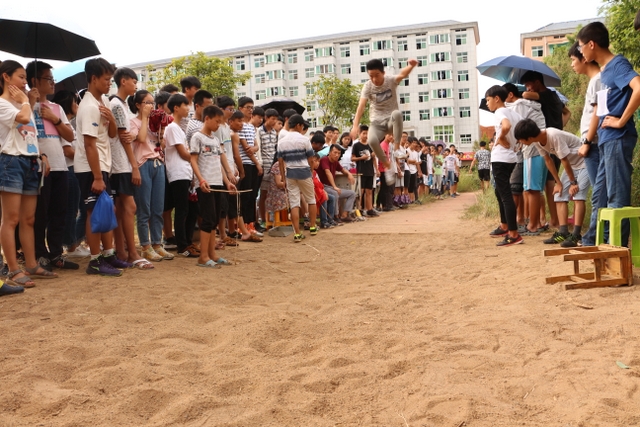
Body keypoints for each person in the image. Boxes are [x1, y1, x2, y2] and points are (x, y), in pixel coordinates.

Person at [577, 21, 640, 247]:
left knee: (616, 198)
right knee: (600, 196)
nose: (581, 51)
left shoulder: (618, 64)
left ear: (592, 44)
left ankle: (618, 251)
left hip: (617, 139)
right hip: (605, 141)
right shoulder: (604, 72)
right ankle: (598, 245)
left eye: (581, 46)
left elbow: (638, 87)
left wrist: (621, 120)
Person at [0, 60, 55, 292]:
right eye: (21, 77)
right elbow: (22, 119)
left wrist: (40, 155)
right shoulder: (3, 103)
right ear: (6, 77)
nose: (25, 82)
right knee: (10, 219)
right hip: (11, 161)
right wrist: (25, 102)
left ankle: (31, 264)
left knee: (29, 219)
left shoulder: (23, 104)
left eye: (25, 78)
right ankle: (14, 268)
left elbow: (29, 134)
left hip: (31, 161)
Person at [75, 58, 129, 276]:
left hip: (103, 165)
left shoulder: (104, 101)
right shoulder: (89, 107)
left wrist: (112, 120)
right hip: (90, 168)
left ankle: (108, 254)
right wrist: (97, 177)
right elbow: (89, 145)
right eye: (106, 79)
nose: (109, 83)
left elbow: (112, 134)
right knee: (93, 212)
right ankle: (95, 260)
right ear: (94, 78)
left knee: (106, 209)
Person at [26, 61, 78, 271]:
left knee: (59, 211)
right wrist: (30, 104)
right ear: (34, 81)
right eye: (48, 78)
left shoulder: (57, 108)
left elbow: (70, 136)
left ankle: (56, 253)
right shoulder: (25, 106)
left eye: (52, 78)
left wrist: (54, 119)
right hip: (38, 168)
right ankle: (40, 255)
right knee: (40, 214)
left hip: (60, 166)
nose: (53, 83)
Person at [515, 119, 591, 246]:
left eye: (521, 139)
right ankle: (563, 232)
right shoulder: (537, 141)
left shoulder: (553, 135)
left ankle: (576, 235)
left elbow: (564, 160)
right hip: (571, 165)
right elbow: (548, 160)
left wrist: (573, 183)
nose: (521, 142)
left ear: (529, 137)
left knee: (578, 195)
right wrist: (558, 183)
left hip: (585, 162)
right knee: (559, 195)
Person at [350, 58, 418, 186]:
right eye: (371, 76)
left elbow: (402, 75)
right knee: (372, 141)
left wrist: (411, 66)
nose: (374, 79)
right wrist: (355, 126)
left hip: (391, 120)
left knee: (397, 113)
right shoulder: (368, 86)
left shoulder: (390, 81)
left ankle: (397, 148)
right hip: (377, 122)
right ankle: (387, 165)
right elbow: (361, 106)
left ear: (383, 73)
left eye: (377, 75)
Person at [189, 105, 235, 268]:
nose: (218, 125)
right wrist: (201, 180)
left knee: (215, 219)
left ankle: (212, 254)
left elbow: (219, 162)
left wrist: (227, 181)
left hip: (217, 183)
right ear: (207, 118)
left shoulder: (215, 140)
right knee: (208, 219)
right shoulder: (197, 137)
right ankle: (203, 257)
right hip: (206, 184)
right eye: (217, 121)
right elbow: (193, 160)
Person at [129, 90, 171, 266]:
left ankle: (157, 243)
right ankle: (145, 246)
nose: (151, 106)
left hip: (158, 163)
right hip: (143, 164)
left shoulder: (156, 122)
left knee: (157, 208)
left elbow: (161, 144)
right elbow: (141, 138)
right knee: (144, 208)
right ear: (138, 105)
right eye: (147, 102)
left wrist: (161, 132)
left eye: (152, 103)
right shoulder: (133, 122)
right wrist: (146, 118)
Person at [567, 41, 601, 248]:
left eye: (573, 59)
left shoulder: (598, 79)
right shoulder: (594, 81)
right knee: (599, 192)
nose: (572, 64)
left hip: (594, 144)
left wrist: (587, 141)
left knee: (599, 193)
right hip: (591, 143)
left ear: (585, 57)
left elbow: (597, 113)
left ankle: (593, 238)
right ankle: (594, 237)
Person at [503, 82, 547, 236]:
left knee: (532, 189)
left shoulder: (519, 106)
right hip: (535, 149)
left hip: (532, 149)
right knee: (533, 189)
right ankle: (535, 223)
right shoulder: (525, 105)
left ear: (510, 95)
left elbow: (517, 129)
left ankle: (533, 226)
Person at [109, 67, 142, 268]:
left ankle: (122, 251)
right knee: (129, 207)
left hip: (120, 163)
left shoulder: (120, 104)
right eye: (134, 81)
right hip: (120, 164)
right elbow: (123, 137)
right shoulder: (116, 105)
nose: (135, 86)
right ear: (123, 81)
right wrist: (134, 166)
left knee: (122, 208)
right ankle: (132, 252)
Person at [485, 85, 523, 247]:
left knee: (506, 195)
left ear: (497, 99)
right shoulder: (514, 113)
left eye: (488, 100)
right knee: (499, 191)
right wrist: (517, 144)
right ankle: (504, 225)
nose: (487, 103)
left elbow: (506, 126)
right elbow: (522, 129)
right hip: (510, 158)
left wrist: (500, 138)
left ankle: (513, 234)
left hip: (501, 158)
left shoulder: (499, 112)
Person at [53, 90, 89, 258]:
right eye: (75, 102)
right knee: (71, 210)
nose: (77, 105)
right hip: (70, 168)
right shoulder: (63, 125)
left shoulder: (70, 123)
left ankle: (75, 241)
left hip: (75, 168)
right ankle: (71, 246)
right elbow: (67, 151)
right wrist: (85, 156)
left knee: (78, 208)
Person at [164, 93, 200, 257]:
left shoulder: (179, 128)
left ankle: (188, 241)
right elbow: (183, 153)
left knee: (191, 210)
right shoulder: (172, 127)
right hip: (177, 173)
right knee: (182, 210)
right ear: (176, 108)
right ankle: (182, 246)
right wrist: (195, 158)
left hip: (186, 173)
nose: (188, 108)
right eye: (185, 105)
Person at [277, 114, 318, 242]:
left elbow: (280, 162)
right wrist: (311, 172)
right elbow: (311, 159)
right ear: (298, 125)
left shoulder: (281, 141)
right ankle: (312, 227)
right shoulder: (304, 140)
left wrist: (283, 178)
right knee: (311, 200)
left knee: (294, 203)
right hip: (304, 171)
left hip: (290, 173)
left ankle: (297, 233)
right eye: (302, 126)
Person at [236, 96, 263, 236]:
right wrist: (257, 163)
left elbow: (255, 145)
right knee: (245, 196)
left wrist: (254, 150)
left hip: (253, 163)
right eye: (248, 107)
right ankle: (242, 226)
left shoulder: (252, 127)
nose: (250, 110)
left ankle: (251, 224)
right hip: (245, 163)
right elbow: (246, 148)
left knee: (252, 195)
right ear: (240, 108)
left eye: (252, 108)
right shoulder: (239, 125)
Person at [319, 144, 357, 223]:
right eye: (335, 152)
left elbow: (342, 170)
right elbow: (328, 172)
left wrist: (349, 174)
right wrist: (334, 186)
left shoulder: (335, 162)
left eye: (339, 153)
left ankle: (344, 215)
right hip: (323, 187)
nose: (337, 155)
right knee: (335, 193)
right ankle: (336, 216)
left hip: (331, 187)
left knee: (352, 193)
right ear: (330, 152)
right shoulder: (324, 159)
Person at [257, 108, 279, 231]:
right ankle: (263, 219)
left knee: (272, 193)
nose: (274, 121)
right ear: (266, 118)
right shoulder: (259, 131)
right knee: (263, 193)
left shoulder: (274, 132)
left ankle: (270, 219)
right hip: (264, 166)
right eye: (272, 119)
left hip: (273, 165)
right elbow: (259, 149)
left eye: (276, 119)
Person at [351, 125, 378, 216]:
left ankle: (369, 209)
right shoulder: (356, 145)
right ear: (359, 133)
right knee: (361, 191)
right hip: (361, 172)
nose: (366, 135)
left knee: (369, 191)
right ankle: (360, 209)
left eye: (367, 133)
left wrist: (376, 169)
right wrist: (361, 158)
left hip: (370, 171)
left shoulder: (370, 145)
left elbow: (373, 159)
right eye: (364, 133)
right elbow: (352, 158)